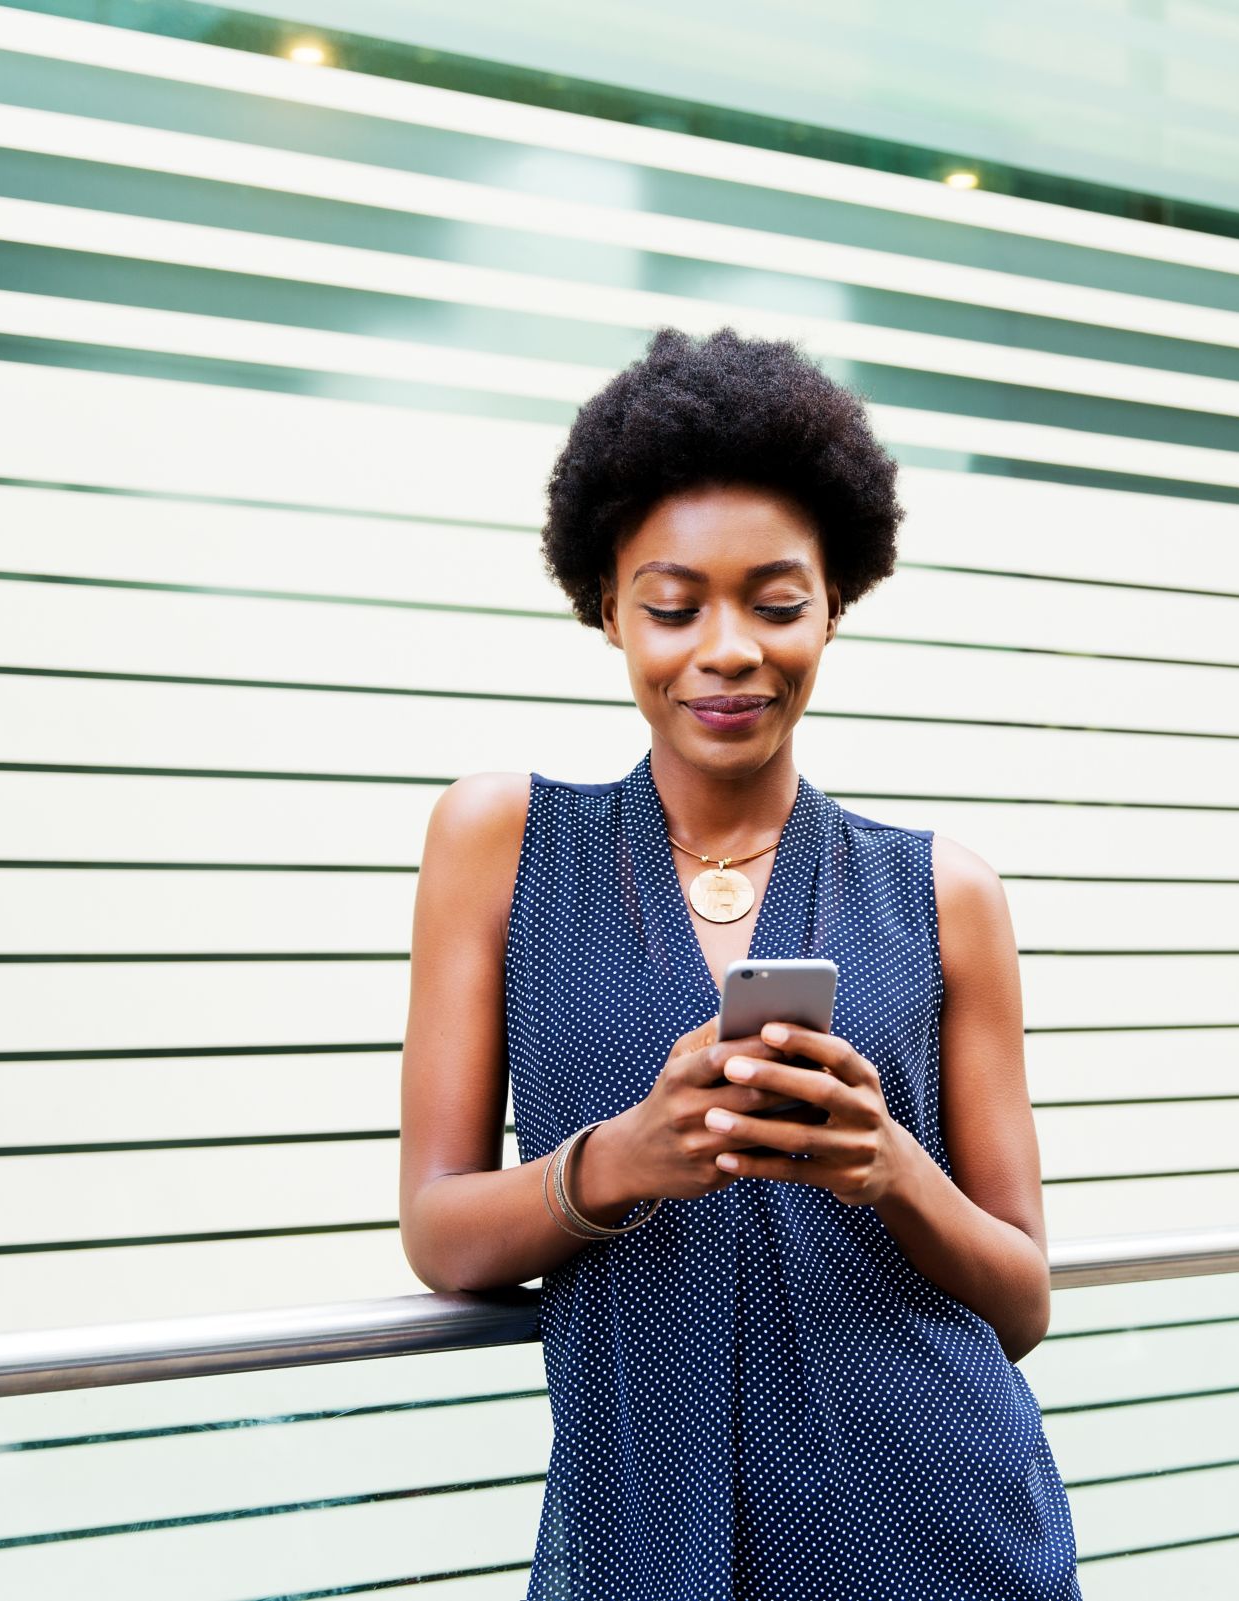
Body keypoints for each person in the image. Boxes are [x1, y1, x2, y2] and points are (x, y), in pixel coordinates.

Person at [397, 326, 1084, 1600]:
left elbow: (1024, 1299)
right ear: (607, 605)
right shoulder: (498, 840)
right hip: (641, 1544)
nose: (727, 648)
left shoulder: (946, 893)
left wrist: (890, 1169)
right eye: (673, 604)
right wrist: (619, 1161)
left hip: (934, 1534)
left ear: (834, 606)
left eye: (777, 602)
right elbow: (437, 1229)